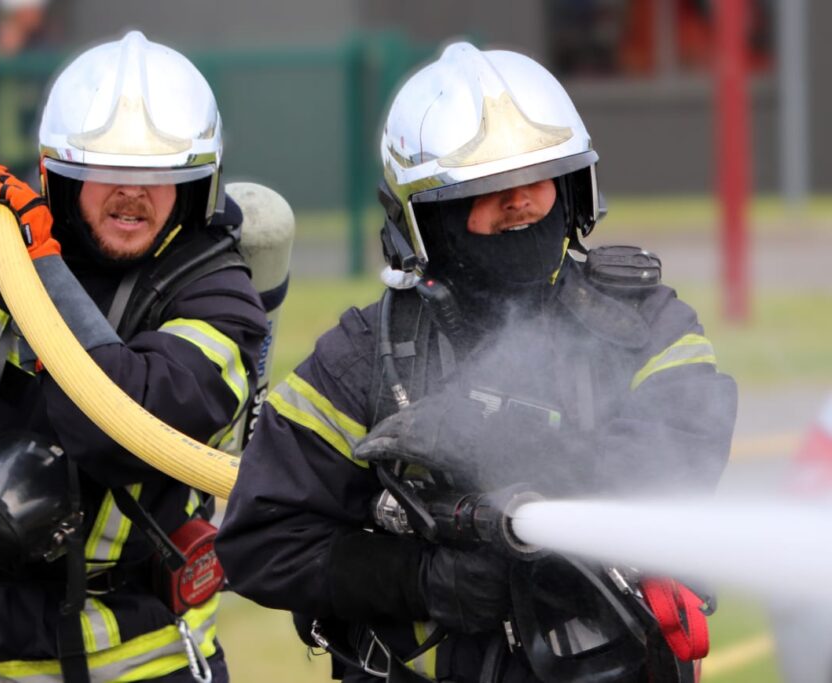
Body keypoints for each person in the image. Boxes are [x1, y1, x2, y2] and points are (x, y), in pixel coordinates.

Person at [216, 42, 737, 682]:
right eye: (487, 192)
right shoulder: (364, 357)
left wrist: (503, 448)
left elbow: (677, 460)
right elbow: (261, 542)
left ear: (572, 190)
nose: (518, 203)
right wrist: (421, 580)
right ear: (426, 220)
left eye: (536, 181)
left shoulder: (644, 323)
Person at [0, 31, 266, 683]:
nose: (132, 194)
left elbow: (118, 427)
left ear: (197, 184)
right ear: (60, 174)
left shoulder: (219, 301)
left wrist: (39, 266)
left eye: (157, 177)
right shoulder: (0, 249)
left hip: (126, 664)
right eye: (107, 172)